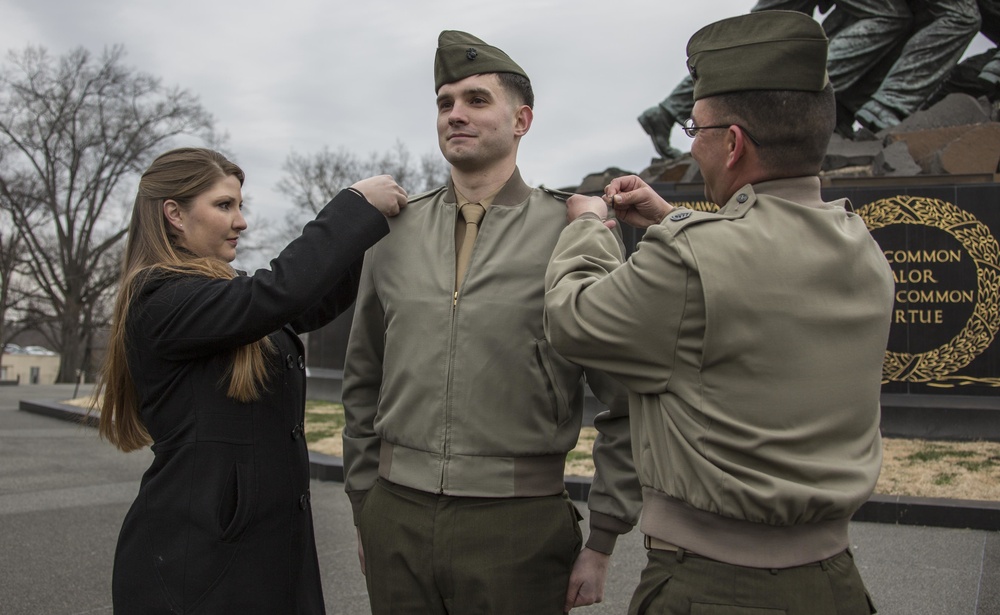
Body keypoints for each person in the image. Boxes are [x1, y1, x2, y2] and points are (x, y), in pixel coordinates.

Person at [545, 11, 893, 614]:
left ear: (732, 144)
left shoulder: (688, 259)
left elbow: (573, 318)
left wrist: (590, 229)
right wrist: (673, 220)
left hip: (714, 587)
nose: (693, 143)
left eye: (694, 128)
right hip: (835, 583)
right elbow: (757, 253)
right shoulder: (860, 244)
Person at [342, 30, 641, 614]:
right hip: (395, 519)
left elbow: (626, 397)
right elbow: (362, 378)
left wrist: (603, 537)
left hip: (520, 527)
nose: (456, 114)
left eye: (477, 100)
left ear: (522, 119)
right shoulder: (392, 233)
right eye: (444, 103)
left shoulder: (572, 232)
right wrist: (364, 508)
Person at [94, 147, 406, 614]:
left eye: (240, 206)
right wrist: (354, 205)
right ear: (174, 214)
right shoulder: (159, 299)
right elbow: (278, 293)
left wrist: (376, 238)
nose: (240, 221)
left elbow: (308, 303)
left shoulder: (218, 298)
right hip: (195, 565)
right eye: (224, 205)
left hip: (261, 552)